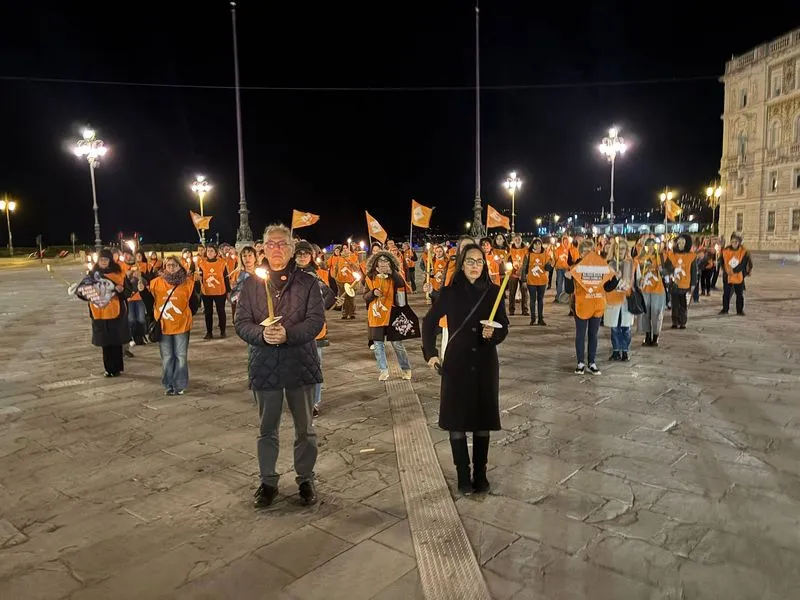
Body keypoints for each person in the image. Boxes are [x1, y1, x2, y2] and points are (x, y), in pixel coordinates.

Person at [234, 224, 325, 508]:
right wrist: (261, 335)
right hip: (265, 363)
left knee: (305, 428)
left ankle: (306, 478)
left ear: (292, 248)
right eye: (271, 244)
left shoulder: (308, 282)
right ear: (262, 248)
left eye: (282, 243)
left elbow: (316, 321)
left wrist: (289, 334)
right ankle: (268, 481)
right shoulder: (251, 284)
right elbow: (241, 323)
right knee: (267, 428)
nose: (276, 248)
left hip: (300, 362)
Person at [422, 243, 508, 495]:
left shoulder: (493, 292)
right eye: (470, 261)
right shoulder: (449, 293)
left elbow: (503, 325)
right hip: (457, 362)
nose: (475, 266)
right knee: (457, 421)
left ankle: (480, 474)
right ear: (461, 264)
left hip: (484, 362)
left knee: (483, 420)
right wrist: (431, 354)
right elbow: (429, 322)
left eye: (479, 261)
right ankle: (462, 474)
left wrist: (494, 334)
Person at [294, 241, 337, 417]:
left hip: (315, 329)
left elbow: (329, 296)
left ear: (311, 256)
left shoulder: (317, 275)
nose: (302, 256)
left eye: (306, 253)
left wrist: (320, 307)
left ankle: (314, 402)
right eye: (299, 253)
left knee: (314, 367)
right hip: (294, 328)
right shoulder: (288, 275)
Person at [565, 240, 618, 375]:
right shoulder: (576, 267)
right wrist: (568, 278)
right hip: (581, 305)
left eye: (591, 251)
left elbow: (608, 287)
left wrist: (615, 278)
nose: (588, 254)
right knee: (580, 334)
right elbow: (569, 289)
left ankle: (592, 362)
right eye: (585, 251)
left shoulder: (600, 266)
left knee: (593, 334)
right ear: (580, 253)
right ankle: (580, 362)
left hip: (597, 304)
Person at [149, 257, 200, 395]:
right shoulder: (156, 283)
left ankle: (180, 384)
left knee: (180, 356)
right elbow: (149, 302)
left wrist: (185, 314)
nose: (171, 267)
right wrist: (142, 290)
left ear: (180, 267)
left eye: (174, 265)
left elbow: (194, 303)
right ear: (164, 267)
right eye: (169, 265)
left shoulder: (188, 283)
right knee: (167, 357)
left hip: (181, 325)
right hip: (164, 325)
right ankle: (168, 384)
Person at [79, 249, 133, 377]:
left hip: (116, 312)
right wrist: (87, 294)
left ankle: (117, 367)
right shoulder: (92, 275)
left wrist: (121, 290)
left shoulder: (119, 274)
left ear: (110, 261)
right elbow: (83, 292)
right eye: (101, 259)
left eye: (106, 259)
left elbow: (128, 292)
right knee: (105, 343)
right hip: (99, 313)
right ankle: (108, 368)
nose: (103, 262)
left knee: (116, 341)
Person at [363, 251, 412, 381]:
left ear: (390, 263)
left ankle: (406, 369)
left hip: (392, 314)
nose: (383, 263)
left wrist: (392, 273)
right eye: (381, 261)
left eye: (386, 261)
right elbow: (365, 296)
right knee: (378, 345)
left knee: (397, 344)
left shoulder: (395, 276)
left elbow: (402, 285)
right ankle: (383, 370)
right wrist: (373, 293)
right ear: (376, 263)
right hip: (376, 315)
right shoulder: (369, 277)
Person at [604, 238, 638, 361]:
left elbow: (636, 282)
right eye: (618, 248)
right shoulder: (608, 264)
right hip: (613, 300)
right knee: (614, 328)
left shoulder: (631, 264)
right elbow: (606, 286)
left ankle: (625, 350)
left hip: (626, 300)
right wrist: (615, 278)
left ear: (627, 250)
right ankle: (616, 351)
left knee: (626, 328)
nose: (620, 251)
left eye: (623, 248)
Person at [197, 244, 231, 339]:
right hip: (207, 292)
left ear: (216, 253)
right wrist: (198, 277)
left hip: (220, 291)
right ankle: (209, 332)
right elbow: (200, 276)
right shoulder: (202, 263)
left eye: (212, 251)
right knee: (208, 312)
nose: (209, 253)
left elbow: (226, 278)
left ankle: (223, 331)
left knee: (221, 311)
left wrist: (228, 291)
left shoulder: (222, 263)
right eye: (208, 251)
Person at [664, 234, 697, 330]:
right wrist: (671, 272)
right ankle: (674, 321)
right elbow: (667, 267)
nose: (681, 245)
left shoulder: (691, 256)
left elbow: (694, 271)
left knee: (683, 304)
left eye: (683, 243)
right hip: (674, 283)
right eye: (679, 242)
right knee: (674, 304)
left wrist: (693, 284)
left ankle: (682, 322)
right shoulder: (671, 255)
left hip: (685, 284)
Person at [719, 232, 752, 316]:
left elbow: (743, 264)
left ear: (739, 242)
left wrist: (733, 271)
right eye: (732, 242)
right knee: (726, 293)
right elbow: (722, 261)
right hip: (727, 275)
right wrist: (725, 270)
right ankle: (725, 309)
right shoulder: (726, 250)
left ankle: (739, 310)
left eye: (736, 242)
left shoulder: (744, 252)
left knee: (739, 294)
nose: (734, 243)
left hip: (738, 275)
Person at [525, 237, 550, 326]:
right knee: (532, 300)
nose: (537, 245)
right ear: (533, 245)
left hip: (542, 281)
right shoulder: (528, 254)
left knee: (540, 300)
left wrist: (550, 265)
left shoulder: (545, 254)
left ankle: (540, 319)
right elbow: (525, 267)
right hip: (531, 281)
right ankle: (532, 319)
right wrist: (524, 280)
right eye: (536, 243)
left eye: (539, 244)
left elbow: (548, 266)